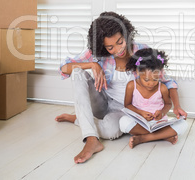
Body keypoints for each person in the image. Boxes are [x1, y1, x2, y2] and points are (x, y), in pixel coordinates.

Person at [56, 11, 187, 163]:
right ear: (103, 46)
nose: (118, 49)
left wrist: (176, 106)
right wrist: (92, 65)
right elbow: (64, 68)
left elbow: (168, 82)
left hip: (127, 110)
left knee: (111, 131)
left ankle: (80, 118)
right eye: (110, 47)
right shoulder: (98, 53)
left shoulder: (142, 51)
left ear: (126, 34)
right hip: (102, 101)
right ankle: (91, 139)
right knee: (77, 72)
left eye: (120, 41)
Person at [119, 48, 188, 148]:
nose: (151, 83)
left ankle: (143, 138)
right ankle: (164, 136)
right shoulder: (131, 86)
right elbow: (127, 105)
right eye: (146, 80)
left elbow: (168, 104)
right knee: (123, 122)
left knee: (183, 124)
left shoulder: (162, 88)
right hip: (140, 121)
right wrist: (141, 113)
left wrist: (162, 113)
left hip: (158, 122)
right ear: (138, 73)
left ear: (160, 73)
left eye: (155, 79)